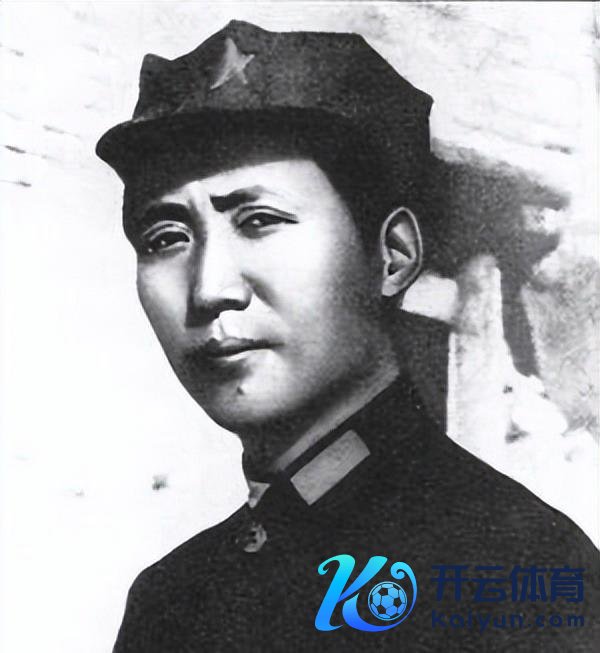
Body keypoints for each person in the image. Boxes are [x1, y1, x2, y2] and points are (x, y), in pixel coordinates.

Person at [97, 20, 598, 652]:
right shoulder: (171, 599)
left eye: (259, 220)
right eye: (165, 238)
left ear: (392, 256)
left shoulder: (521, 567)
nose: (209, 289)